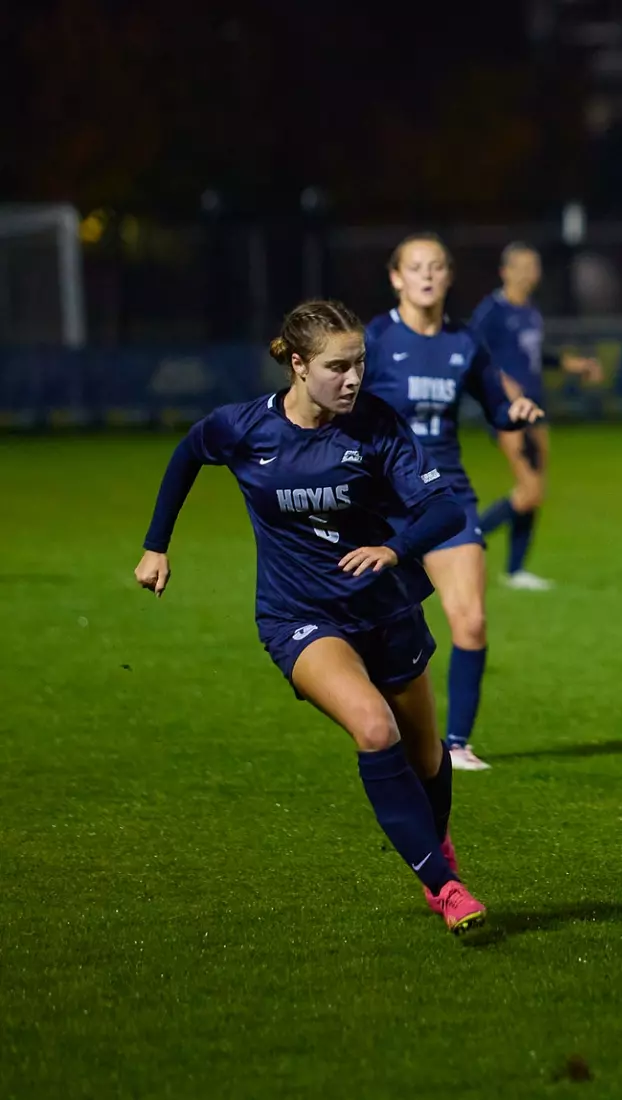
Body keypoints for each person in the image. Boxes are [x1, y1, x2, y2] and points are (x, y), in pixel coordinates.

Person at [134, 300, 488, 936]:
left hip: (386, 611)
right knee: (374, 729)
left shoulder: (377, 426)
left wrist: (393, 548)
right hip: (298, 616)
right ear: (298, 366)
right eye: (337, 367)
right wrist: (156, 544)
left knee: (427, 756)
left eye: (360, 364)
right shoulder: (244, 429)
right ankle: (444, 886)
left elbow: (446, 511)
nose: (353, 379)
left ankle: (437, 846)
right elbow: (189, 452)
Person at [363, 234, 545, 771]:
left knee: (470, 622)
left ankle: (456, 745)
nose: (427, 275)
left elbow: (494, 406)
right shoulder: (375, 339)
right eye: (415, 267)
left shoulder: (463, 342)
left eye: (437, 266)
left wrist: (515, 413)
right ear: (396, 277)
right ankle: (383, 729)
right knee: (381, 634)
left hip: (446, 496)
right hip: (381, 504)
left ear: (448, 276)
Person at [469, 242, 604, 590]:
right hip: (507, 412)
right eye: (524, 266)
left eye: (535, 266)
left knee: (535, 492)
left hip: (536, 410)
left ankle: (515, 570)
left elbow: (535, 355)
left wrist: (575, 365)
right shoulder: (491, 312)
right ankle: (462, 542)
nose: (532, 273)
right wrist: (503, 386)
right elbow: (473, 356)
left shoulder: (530, 311)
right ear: (506, 271)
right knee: (528, 491)